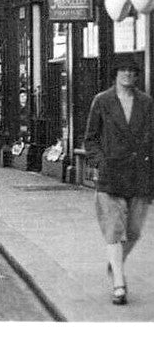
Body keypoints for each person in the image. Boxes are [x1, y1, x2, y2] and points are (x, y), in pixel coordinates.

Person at [84, 65, 154, 306]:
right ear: (115, 74)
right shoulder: (102, 101)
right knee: (114, 230)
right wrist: (101, 163)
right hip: (111, 175)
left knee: (134, 231)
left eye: (132, 71)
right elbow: (90, 138)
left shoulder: (146, 102)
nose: (127, 75)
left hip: (139, 175)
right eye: (123, 70)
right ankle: (119, 285)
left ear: (137, 76)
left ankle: (115, 262)